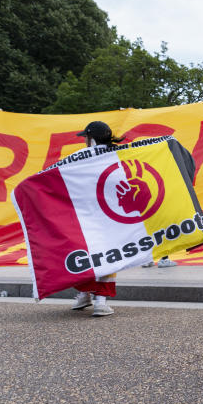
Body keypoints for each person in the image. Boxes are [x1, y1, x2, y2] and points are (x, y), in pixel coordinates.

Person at [70, 121, 124, 317]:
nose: (83, 140)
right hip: (112, 215)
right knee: (109, 255)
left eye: (85, 137)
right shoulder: (120, 153)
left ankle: (85, 294)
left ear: (91, 138)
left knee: (85, 255)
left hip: (86, 216)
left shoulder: (78, 157)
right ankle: (100, 300)